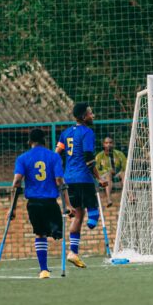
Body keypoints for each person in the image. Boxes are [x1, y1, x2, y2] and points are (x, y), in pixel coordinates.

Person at [11, 128, 67, 279]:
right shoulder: (54, 157)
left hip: (33, 203)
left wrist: (13, 208)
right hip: (50, 202)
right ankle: (56, 229)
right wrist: (67, 204)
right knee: (57, 230)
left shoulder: (23, 158)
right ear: (45, 141)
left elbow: (17, 182)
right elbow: (59, 181)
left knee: (40, 233)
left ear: (29, 142)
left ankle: (44, 270)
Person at [56, 102, 99, 268]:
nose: (92, 115)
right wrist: (99, 177)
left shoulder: (65, 133)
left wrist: (59, 171)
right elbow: (89, 157)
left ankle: (73, 253)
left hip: (69, 179)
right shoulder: (88, 132)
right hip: (84, 178)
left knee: (78, 215)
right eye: (90, 113)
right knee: (92, 210)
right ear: (83, 116)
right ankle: (93, 221)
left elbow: (57, 153)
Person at [95, 136, 127, 209]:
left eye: (110, 143)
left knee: (124, 173)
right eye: (106, 143)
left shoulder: (119, 154)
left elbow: (125, 167)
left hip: (116, 174)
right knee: (108, 175)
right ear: (103, 144)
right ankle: (109, 199)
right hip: (104, 176)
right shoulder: (99, 156)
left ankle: (130, 196)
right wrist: (107, 171)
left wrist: (120, 171)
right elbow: (96, 170)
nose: (108, 144)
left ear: (113, 144)